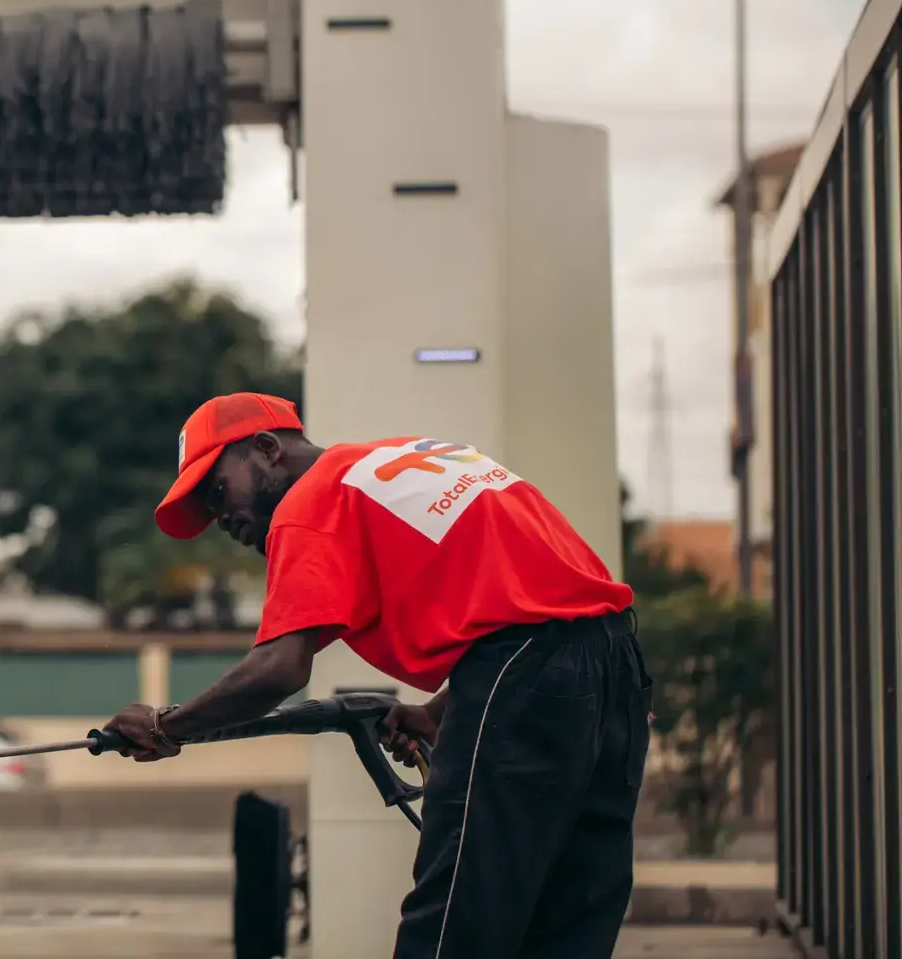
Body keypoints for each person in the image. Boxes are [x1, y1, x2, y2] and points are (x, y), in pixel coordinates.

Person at [101, 393, 651, 959]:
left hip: (525, 676)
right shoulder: (404, 458)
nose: (224, 521)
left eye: (219, 492)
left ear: (266, 449)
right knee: (571, 915)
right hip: (615, 666)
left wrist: (169, 726)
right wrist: (439, 712)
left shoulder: (311, 505)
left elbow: (278, 669)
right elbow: (530, 604)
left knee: (455, 923)